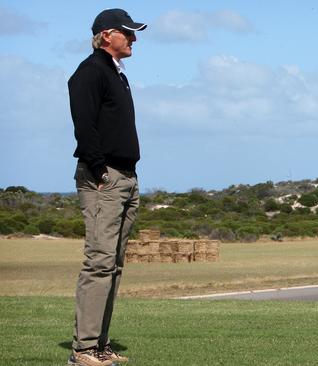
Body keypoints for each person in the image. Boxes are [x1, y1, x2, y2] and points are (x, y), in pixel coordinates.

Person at [67, 8, 146, 366]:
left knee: (113, 265)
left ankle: (100, 345)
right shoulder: (90, 72)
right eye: (127, 33)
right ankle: (83, 349)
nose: (134, 39)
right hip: (106, 178)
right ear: (106, 35)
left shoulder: (116, 73)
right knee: (98, 263)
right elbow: (85, 127)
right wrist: (100, 170)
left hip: (125, 176)